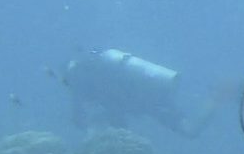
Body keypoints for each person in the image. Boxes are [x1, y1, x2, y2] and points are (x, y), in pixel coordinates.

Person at [64, 48, 222, 136]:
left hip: (147, 99)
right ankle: (215, 99)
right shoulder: (97, 69)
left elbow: (83, 116)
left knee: (189, 130)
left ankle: (216, 98)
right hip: (151, 94)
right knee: (189, 130)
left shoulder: (82, 81)